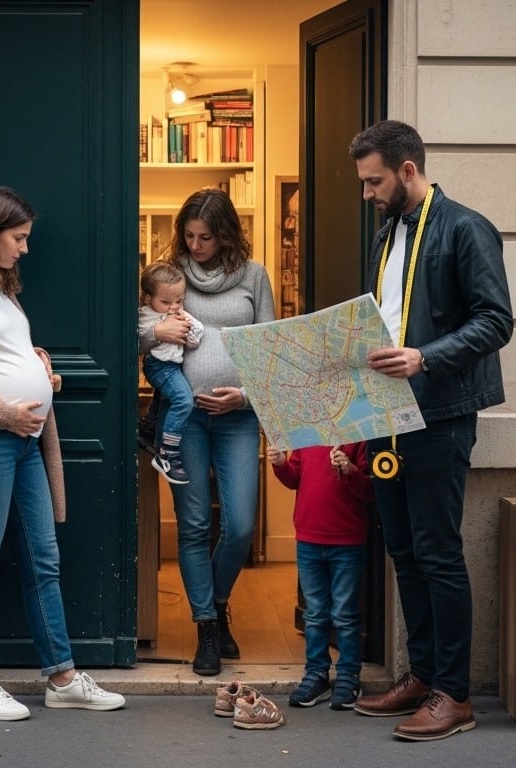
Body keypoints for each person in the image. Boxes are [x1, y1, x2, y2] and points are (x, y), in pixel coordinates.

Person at [0, 185, 125, 721]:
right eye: (19, 237)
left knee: (44, 562)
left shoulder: (0, 290)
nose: (25, 248)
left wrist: (39, 369)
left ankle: (61, 677)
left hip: (27, 443)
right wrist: (7, 411)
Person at [348, 120, 513, 741]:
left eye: (374, 181)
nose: (366, 193)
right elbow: (387, 318)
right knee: (406, 552)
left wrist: (425, 356)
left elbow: (497, 321)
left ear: (408, 171)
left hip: (439, 415)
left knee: (439, 554)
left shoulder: (467, 228)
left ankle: (455, 694)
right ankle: (422, 677)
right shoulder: (388, 235)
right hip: (385, 414)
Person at [138, 187, 275, 676]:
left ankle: (218, 602)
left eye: (207, 237)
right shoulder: (170, 272)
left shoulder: (254, 277)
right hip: (187, 419)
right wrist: (157, 332)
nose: (196, 246)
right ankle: (207, 629)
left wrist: (245, 396)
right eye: (190, 236)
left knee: (239, 525)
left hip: (238, 417)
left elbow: (269, 350)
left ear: (226, 234)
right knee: (194, 525)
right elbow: (135, 327)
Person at [266, 442, 373, 711]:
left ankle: (349, 675)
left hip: (348, 539)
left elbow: (370, 491)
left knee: (345, 614)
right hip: (308, 537)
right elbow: (293, 478)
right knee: (314, 613)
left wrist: (349, 470)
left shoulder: (358, 437)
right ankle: (316, 673)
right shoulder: (305, 436)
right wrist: (279, 463)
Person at [138, 261, 204, 485]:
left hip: (174, 365)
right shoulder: (146, 315)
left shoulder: (179, 314)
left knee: (163, 398)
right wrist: (160, 329)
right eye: (165, 302)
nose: (172, 306)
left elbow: (194, 341)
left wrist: (188, 324)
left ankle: (148, 429)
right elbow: (136, 336)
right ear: (148, 298)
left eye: (179, 300)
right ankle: (167, 453)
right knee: (183, 401)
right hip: (160, 365)